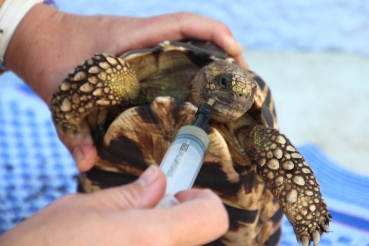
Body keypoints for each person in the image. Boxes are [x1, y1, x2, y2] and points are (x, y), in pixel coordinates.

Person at [0, 2, 248, 245]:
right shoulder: (131, 84)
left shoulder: (251, 135)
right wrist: (27, 26)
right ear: (209, 77)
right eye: (225, 84)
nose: (237, 97)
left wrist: (22, 22)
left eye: (245, 95)